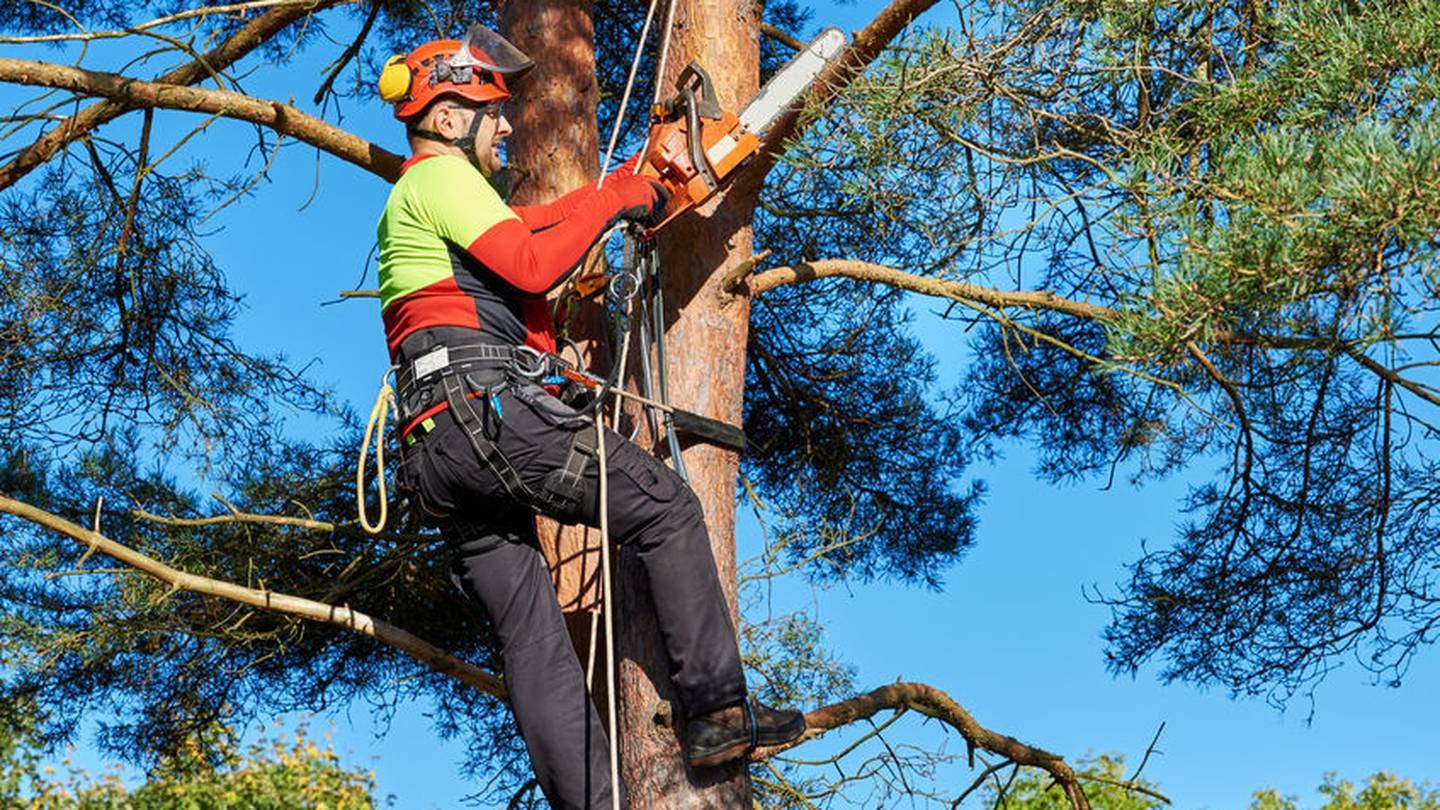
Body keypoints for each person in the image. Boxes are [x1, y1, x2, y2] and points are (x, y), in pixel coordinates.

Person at [373, 25, 805, 809]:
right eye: (489, 111)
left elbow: (532, 236)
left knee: (530, 636)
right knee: (668, 509)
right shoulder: (437, 180)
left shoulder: (423, 203)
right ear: (443, 120)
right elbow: (536, 263)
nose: (505, 125)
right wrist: (615, 197)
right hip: (486, 416)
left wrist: (624, 189)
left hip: (437, 448)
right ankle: (716, 712)